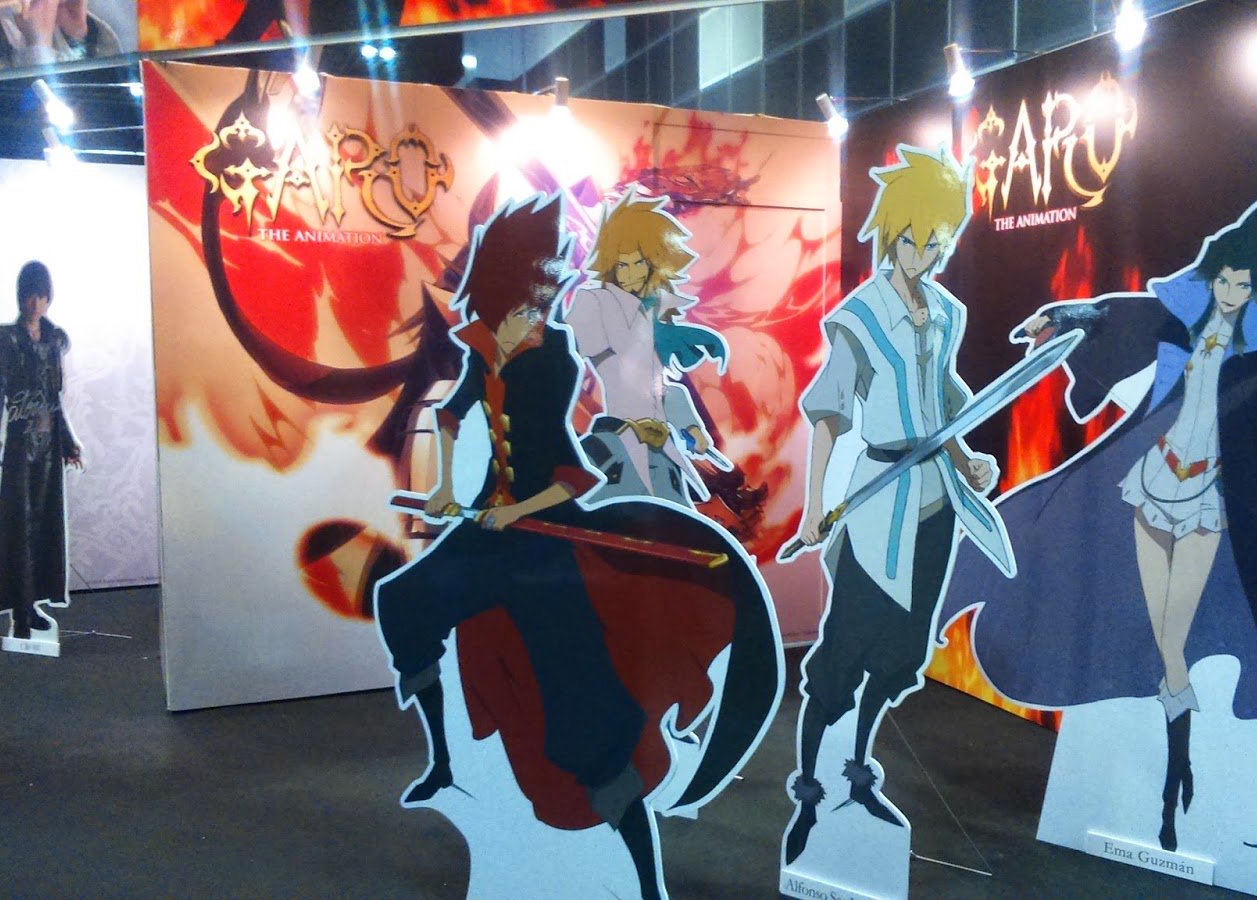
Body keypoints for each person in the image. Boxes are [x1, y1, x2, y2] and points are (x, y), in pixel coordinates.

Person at [940, 190, 1257, 854]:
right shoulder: (1180, 329)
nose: (1230, 294)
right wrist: (1066, 315)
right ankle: (1172, 767)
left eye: (1243, 286)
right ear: (1212, 281)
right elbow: (1123, 314)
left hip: (1206, 503)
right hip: (1152, 487)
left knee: (1178, 632)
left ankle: (1184, 770)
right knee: (1158, 631)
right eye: (1224, 282)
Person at [373, 195, 779, 900]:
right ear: (505, 284)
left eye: (549, 289)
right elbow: (453, 411)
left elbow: (567, 473)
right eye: (536, 289)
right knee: (402, 604)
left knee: (589, 726)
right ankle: (442, 762)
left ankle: (647, 881)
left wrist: (516, 511)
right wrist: (444, 490)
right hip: (486, 531)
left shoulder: (555, 355)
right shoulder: (480, 341)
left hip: (542, 541)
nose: (546, 301)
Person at [783, 145, 1008, 864]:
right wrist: (814, 505)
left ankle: (857, 768)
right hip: (878, 503)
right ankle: (808, 787)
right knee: (845, 649)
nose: (927, 253)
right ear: (893, 232)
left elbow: (944, 395)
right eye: (917, 239)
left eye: (939, 241)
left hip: (936, 496)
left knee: (904, 650)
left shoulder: (943, 311)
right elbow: (829, 414)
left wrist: (967, 458)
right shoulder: (862, 315)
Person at [566, 189, 726, 507]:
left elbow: (658, 389)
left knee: (672, 522)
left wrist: (691, 428)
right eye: (622, 265)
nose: (630, 274)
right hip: (618, 446)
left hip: (659, 450)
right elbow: (569, 357)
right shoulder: (594, 302)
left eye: (639, 263)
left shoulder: (649, 312)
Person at [0, 260, 82, 639]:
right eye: (29, 294)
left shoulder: (54, 339)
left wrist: (68, 441)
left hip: (48, 443)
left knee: (43, 523)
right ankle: (19, 612)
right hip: (20, 442)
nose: (34, 302)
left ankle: (32, 603)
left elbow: (54, 398)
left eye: (40, 295)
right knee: (20, 525)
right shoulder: (6, 339)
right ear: (20, 296)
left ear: (48, 297)